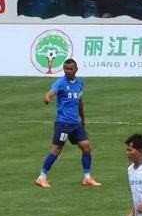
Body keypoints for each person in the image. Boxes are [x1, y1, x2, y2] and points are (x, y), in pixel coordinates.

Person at [36, 58, 99, 188]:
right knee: (56, 150)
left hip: (76, 124)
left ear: (76, 69)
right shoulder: (60, 82)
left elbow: (79, 102)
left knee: (86, 147)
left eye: (70, 69)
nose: (68, 71)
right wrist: (48, 98)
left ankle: (87, 178)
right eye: (66, 69)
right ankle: (41, 177)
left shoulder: (79, 83)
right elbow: (50, 93)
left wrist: (83, 119)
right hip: (63, 124)